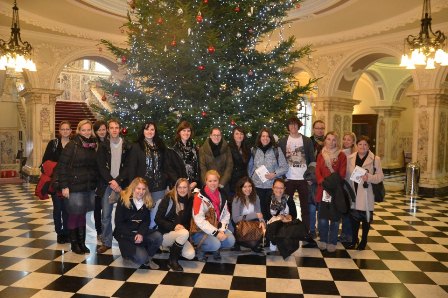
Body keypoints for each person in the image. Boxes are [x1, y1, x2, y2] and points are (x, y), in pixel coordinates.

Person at [57, 119, 98, 254]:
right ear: (78, 131)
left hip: (87, 186)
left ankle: (82, 243)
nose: (86, 132)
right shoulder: (72, 145)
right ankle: (75, 244)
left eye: (88, 130)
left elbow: (94, 167)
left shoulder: (92, 145)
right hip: (74, 186)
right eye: (83, 130)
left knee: (82, 215)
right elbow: (62, 166)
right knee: (74, 215)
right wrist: (64, 186)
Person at [96, 119, 132, 254]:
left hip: (123, 184)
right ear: (108, 130)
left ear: (120, 129)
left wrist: (118, 181)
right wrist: (112, 181)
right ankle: (106, 242)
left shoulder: (127, 145)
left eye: (117, 127)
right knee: (105, 215)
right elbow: (100, 166)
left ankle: (126, 240)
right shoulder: (103, 146)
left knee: (126, 214)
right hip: (108, 184)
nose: (114, 130)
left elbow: (128, 166)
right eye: (111, 128)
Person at [113, 177, 162, 269]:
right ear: (133, 188)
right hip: (126, 235)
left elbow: (146, 221)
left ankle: (148, 258)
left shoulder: (146, 201)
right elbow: (119, 223)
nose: (141, 191)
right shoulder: (123, 200)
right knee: (141, 259)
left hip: (139, 233)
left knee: (158, 236)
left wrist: (140, 233)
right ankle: (128, 256)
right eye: (138, 188)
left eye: (143, 189)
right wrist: (133, 236)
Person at [278, 117, 315, 233]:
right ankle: (287, 230)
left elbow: (312, 160)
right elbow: (279, 160)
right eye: (290, 125)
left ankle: (305, 231)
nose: (293, 127)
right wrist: (283, 177)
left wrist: (310, 177)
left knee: (305, 207)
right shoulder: (283, 141)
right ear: (288, 127)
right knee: (285, 206)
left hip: (304, 179)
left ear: (298, 126)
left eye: (295, 125)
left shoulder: (307, 140)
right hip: (288, 179)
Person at [347, 136, 384, 250]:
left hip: (367, 192)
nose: (362, 147)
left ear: (368, 146)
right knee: (354, 218)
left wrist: (369, 177)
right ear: (356, 145)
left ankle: (364, 240)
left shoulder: (375, 159)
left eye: (365, 145)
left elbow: (380, 176)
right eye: (360, 144)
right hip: (354, 191)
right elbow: (347, 175)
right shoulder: (350, 158)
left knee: (366, 219)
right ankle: (353, 240)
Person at [128, 121, 167, 228]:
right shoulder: (136, 147)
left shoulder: (160, 145)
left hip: (159, 186)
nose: (149, 132)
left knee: (158, 213)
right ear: (143, 131)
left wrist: (165, 178)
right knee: (143, 213)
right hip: (143, 187)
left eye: (152, 129)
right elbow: (132, 167)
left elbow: (165, 164)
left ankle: (156, 237)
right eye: (147, 129)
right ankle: (142, 237)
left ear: (155, 131)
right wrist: (133, 186)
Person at [191, 170, 235, 262]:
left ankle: (215, 248)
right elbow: (199, 220)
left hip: (216, 227)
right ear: (205, 181)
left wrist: (222, 230)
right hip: (200, 230)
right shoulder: (199, 197)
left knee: (230, 241)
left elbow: (226, 214)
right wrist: (216, 233)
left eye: (215, 180)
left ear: (219, 181)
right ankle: (201, 250)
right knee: (215, 244)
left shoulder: (222, 195)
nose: (213, 183)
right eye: (210, 181)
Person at [41, 120, 72, 244]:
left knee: (67, 209)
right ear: (59, 131)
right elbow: (45, 161)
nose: (65, 131)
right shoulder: (53, 143)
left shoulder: (74, 144)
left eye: (67, 129)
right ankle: (59, 233)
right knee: (57, 208)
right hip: (55, 182)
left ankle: (67, 232)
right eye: (63, 129)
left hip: (69, 182)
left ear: (71, 131)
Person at [315, 132, 347, 252]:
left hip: (335, 190)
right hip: (323, 189)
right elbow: (318, 171)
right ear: (325, 141)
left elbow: (342, 174)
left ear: (336, 142)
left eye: (334, 140)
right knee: (322, 217)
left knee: (334, 218)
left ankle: (332, 241)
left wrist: (330, 185)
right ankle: (323, 239)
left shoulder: (342, 155)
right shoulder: (320, 155)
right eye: (329, 139)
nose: (331, 142)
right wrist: (323, 183)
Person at [155, 178, 195, 271]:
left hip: (181, 234)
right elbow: (158, 219)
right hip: (165, 234)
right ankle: (172, 261)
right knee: (184, 233)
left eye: (185, 187)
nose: (182, 190)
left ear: (188, 188)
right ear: (176, 188)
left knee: (190, 255)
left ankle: (174, 247)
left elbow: (188, 221)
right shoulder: (168, 199)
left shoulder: (190, 200)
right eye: (179, 187)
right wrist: (174, 226)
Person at [248, 127, 288, 222]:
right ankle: (260, 232)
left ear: (271, 138)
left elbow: (285, 167)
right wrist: (251, 179)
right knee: (258, 211)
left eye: (267, 136)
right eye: (263, 136)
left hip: (271, 187)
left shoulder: (276, 150)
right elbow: (250, 167)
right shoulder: (254, 150)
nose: (265, 138)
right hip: (257, 186)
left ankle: (270, 233)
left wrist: (274, 174)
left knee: (270, 213)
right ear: (260, 137)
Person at [231, 177, 265, 252]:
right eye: (245, 187)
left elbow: (259, 213)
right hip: (240, 224)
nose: (248, 189)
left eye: (250, 186)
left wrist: (262, 222)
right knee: (252, 244)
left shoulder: (256, 197)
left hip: (252, 223)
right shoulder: (237, 199)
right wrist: (254, 215)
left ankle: (248, 242)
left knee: (261, 232)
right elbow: (235, 219)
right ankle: (238, 241)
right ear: (240, 188)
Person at [165, 121, 200, 190]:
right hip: (178, 186)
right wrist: (182, 184)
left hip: (193, 186)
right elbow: (170, 170)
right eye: (184, 130)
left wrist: (196, 181)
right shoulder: (172, 149)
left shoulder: (194, 149)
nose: (186, 133)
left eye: (188, 131)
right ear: (179, 132)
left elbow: (199, 167)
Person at [199, 127, 233, 193]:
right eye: (214, 135)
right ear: (210, 136)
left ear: (221, 136)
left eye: (218, 135)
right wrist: (208, 183)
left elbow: (229, 166)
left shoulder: (227, 148)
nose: (216, 137)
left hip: (223, 185)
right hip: (208, 184)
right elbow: (202, 168)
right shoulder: (202, 149)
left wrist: (221, 183)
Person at [339, 132, 357, 243]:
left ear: (353, 141)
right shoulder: (340, 153)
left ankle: (350, 234)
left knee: (352, 211)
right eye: (344, 139)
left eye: (349, 140)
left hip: (352, 185)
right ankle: (344, 234)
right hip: (343, 184)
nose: (346, 141)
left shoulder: (356, 154)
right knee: (344, 210)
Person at [93, 120, 108, 241]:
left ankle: (106, 231)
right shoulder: (94, 144)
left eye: (104, 129)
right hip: (97, 180)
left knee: (107, 209)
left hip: (108, 180)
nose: (102, 132)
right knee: (98, 207)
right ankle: (99, 231)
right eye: (99, 130)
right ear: (95, 131)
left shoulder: (111, 142)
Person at [229, 126, 251, 196]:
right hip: (232, 181)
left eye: (241, 134)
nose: (239, 136)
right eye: (237, 134)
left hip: (244, 180)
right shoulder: (228, 148)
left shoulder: (247, 148)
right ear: (233, 136)